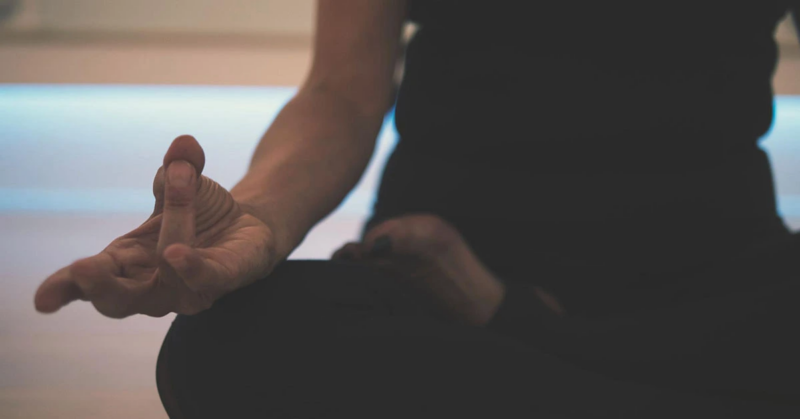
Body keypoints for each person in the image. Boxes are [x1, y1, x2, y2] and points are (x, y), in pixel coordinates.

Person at [34, 1, 800, 417]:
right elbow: (342, 87)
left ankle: (518, 327)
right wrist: (261, 219)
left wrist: (510, 324)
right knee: (226, 348)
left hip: (710, 291)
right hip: (430, 283)